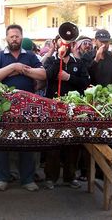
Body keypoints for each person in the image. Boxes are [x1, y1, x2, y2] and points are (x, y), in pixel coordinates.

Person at [0, 24, 46, 192]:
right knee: (1, 142)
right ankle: (1, 178)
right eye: (11, 36)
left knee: (26, 142)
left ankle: (27, 179)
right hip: (2, 105)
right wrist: (13, 67)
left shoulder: (30, 55)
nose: (14, 39)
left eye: (17, 36)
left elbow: (42, 74)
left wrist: (22, 70)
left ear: (22, 37)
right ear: (6, 38)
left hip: (27, 105)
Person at [43, 35, 90, 190]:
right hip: (54, 107)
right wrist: (59, 60)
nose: (64, 44)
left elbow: (85, 83)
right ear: (56, 43)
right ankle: (51, 177)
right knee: (54, 143)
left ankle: (70, 177)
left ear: (73, 45)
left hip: (74, 108)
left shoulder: (79, 63)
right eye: (61, 41)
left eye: (68, 42)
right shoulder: (51, 61)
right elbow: (48, 75)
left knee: (73, 144)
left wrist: (69, 77)